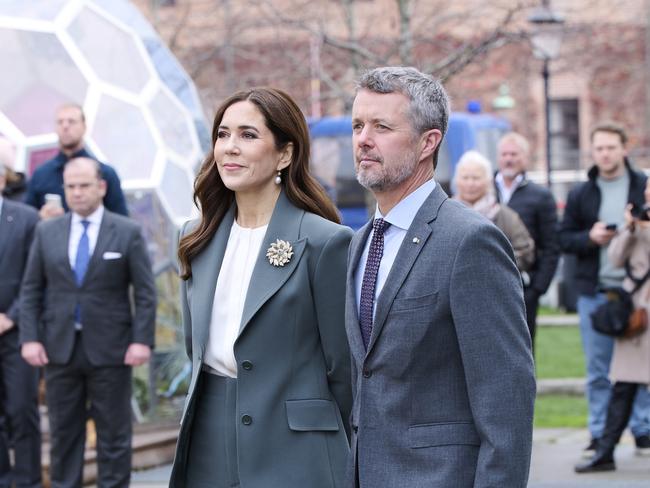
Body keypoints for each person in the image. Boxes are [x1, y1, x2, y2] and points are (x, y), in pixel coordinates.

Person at [345, 66, 535, 487]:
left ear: (428, 142)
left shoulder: (471, 242)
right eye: (358, 124)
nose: (363, 139)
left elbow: (506, 401)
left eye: (382, 126)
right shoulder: (360, 244)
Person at [169, 87, 352, 487]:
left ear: (284, 154)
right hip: (208, 444)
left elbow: (344, 368)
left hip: (296, 449)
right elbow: (194, 349)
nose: (230, 147)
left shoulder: (325, 242)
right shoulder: (194, 240)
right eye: (222, 134)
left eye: (248, 135)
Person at [19, 157, 156, 487]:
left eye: (84, 186)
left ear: (101, 187)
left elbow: (146, 292)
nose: (77, 193)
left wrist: (141, 341)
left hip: (112, 350)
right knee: (64, 435)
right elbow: (31, 289)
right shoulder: (46, 231)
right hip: (59, 349)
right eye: (70, 187)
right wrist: (30, 338)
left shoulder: (127, 232)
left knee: (114, 435)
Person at [560, 121, 650, 458]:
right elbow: (563, 237)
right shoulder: (582, 192)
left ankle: (643, 430)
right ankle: (599, 433)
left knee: (642, 367)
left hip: (639, 294)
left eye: (611, 147)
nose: (605, 153)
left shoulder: (642, 185)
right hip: (596, 291)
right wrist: (590, 237)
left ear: (624, 149)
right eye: (599, 148)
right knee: (598, 369)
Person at [575, 182, 650, 473]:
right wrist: (632, 228)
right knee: (623, 385)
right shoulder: (637, 224)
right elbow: (616, 259)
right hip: (637, 318)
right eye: (647, 191)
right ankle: (605, 453)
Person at [495, 132, 560, 348]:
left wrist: (538, 289)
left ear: (525, 157)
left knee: (522, 348)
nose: (509, 159)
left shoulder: (540, 197)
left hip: (524, 286)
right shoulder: (484, 190)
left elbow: (551, 246)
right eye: (504, 154)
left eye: (514, 154)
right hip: (488, 281)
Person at [0, 164, 41, 488]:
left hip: (17, 333)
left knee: (21, 410)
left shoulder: (27, 218)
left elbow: (34, 275)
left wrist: (10, 316)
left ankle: (27, 482)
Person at [23, 104, 128, 219]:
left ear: (84, 127)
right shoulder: (41, 174)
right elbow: (26, 221)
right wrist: (40, 219)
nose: (65, 126)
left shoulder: (105, 173)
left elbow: (121, 222)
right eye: (60, 122)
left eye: (71, 121)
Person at [454, 150, 535, 272]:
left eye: (476, 178)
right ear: (457, 181)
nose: (470, 183)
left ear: (488, 181)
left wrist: (493, 267)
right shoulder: (445, 213)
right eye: (465, 177)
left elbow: (525, 252)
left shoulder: (506, 216)